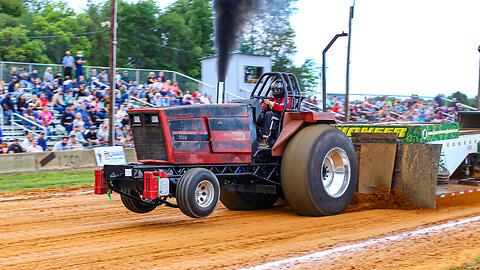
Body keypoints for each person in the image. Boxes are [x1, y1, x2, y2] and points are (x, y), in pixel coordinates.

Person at [258, 80, 291, 148]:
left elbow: (283, 107)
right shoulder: (271, 99)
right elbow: (262, 108)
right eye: (274, 89)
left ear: (282, 90)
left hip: (280, 118)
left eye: (278, 89)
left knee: (269, 114)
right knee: (256, 115)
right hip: (270, 118)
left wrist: (271, 104)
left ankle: (265, 140)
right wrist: (258, 104)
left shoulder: (287, 99)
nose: (275, 91)